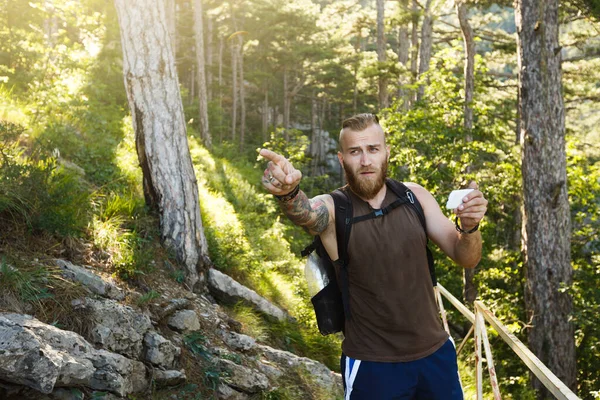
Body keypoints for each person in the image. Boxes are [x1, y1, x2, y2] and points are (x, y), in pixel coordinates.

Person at [259, 113, 487, 400]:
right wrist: (289, 193)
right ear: (342, 159)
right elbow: (306, 213)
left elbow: (465, 256)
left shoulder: (414, 197)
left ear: (386, 153)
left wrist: (469, 227)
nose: (365, 160)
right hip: (373, 365)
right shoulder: (334, 209)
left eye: (373, 149)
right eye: (355, 151)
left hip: (436, 357)